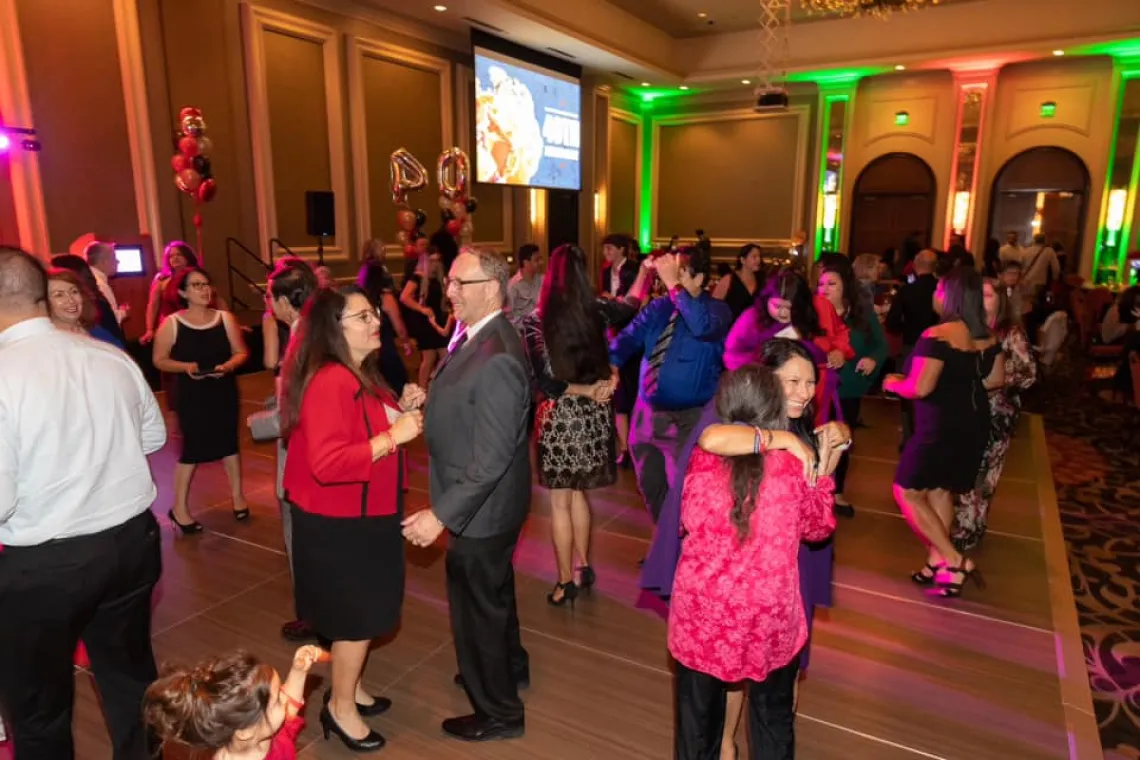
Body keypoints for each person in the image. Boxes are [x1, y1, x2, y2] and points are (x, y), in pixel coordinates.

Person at [0, 246, 167, 759]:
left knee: (39, 708)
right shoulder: (106, 354)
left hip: (47, 564)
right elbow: (154, 437)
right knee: (130, 678)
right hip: (132, 544)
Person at [280, 285, 425, 751]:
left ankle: (351, 688)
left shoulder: (359, 372)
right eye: (362, 317)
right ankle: (340, 709)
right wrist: (394, 437)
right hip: (341, 522)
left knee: (362, 614)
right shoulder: (331, 380)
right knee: (356, 619)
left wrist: (402, 411)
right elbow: (328, 463)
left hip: (364, 512)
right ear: (333, 329)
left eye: (373, 313)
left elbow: (364, 426)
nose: (375, 322)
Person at [670, 365, 837, 760]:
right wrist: (821, 471)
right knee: (772, 721)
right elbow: (818, 528)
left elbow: (687, 519)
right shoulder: (793, 466)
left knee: (697, 728)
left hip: (703, 616)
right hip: (769, 616)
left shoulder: (702, 458)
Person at [403, 247, 532, 742]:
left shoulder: (497, 354)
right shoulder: (480, 335)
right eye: (450, 281)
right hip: (488, 506)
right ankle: (509, 667)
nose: (449, 291)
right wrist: (429, 399)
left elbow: (493, 458)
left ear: (492, 290)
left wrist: (440, 515)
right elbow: (471, 402)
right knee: (494, 596)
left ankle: (499, 711)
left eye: (460, 283)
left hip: (480, 509)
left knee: (477, 608)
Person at [519, 244, 632, 606]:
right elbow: (631, 308)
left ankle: (565, 581)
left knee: (560, 503)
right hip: (594, 417)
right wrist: (608, 380)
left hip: (560, 418)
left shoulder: (535, 321)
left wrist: (588, 387)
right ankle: (583, 566)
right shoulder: (596, 311)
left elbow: (548, 383)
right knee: (581, 494)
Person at [883, 267, 1004, 598]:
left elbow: (919, 387)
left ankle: (954, 559)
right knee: (939, 490)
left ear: (949, 297)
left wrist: (894, 383)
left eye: (938, 290)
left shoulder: (936, 335)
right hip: (974, 422)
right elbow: (995, 381)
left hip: (940, 425)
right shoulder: (989, 336)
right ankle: (937, 559)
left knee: (905, 490)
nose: (934, 295)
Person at [609, 247, 733, 522]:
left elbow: (700, 326)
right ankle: (667, 547)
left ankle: (689, 551)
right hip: (646, 416)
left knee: (689, 491)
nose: (669, 280)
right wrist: (612, 362)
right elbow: (629, 337)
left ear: (700, 278)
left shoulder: (717, 311)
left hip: (688, 419)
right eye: (669, 275)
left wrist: (673, 285)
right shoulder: (659, 307)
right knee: (651, 487)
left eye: (680, 274)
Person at [152, 268, 249, 532]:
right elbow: (159, 360)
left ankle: (238, 497)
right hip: (192, 394)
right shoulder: (171, 323)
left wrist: (229, 366)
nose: (205, 290)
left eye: (206, 284)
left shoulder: (224, 318)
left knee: (229, 444)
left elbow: (241, 351)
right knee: (192, 450)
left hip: (223, 389)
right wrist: (186, 367)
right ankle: (180, 509)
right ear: (182, 292)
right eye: (196, 285)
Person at [261, 260, 320, 642]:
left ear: (285, 301)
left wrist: (268, 419)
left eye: (270, 297)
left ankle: (310, 615)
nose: (268, 305)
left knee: (298, 537)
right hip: (313, 456)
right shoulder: (316, 333)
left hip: (300, 455)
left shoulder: (301, 341)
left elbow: (299, 409)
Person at [953, 279, 1036, 551]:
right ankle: (966, 523)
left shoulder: (1010, 333)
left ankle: (972, 525)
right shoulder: (965, 328)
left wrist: (996, 379)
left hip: (998, 414)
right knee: (966, 468)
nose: (981, 300)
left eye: (987, 295)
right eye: (979, 294)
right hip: (967, 410)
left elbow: (1029, 374)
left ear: (1000, 299)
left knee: (986, 473)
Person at [144, 646, 328, 759]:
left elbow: (290, 711)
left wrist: (298, 672)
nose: (285, 698)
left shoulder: (264, 733)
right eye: (278, 700)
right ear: (247, 731)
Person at [818, 265, 888, 516]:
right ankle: (814, 491)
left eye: (831, 284)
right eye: (821, 284)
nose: (824, 289)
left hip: (849, 388)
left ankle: (836, 493)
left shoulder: (861, 315)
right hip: (816, 388)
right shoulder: (813, 314)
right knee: (814, 439)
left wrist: (872, 360)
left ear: (845, 286)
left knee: (841, 441)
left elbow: (881, 346)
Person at [885, 249, 939, 446]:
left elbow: (891, 322)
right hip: (939, 349)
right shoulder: (942, 290)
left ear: (916, 266)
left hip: (911, 348)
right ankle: (930, 437)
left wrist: (905, 328)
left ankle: (909, 438)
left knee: (908, 394)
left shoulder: (907, 291)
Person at [46, 266, 124, 347]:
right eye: (59, 295)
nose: (71, 300)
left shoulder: (97, 331)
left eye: (74, 291)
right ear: (45, 302)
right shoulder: (47, 341)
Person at [712, 243, 763, 322]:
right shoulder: (729, 279)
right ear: (743, 260)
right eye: (754, 256)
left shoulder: (761, 280)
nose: (758, 260)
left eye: (759, 256)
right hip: (731, 328)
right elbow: (714, 305)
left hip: (752, 328)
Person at [84, 240, 129, 325]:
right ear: (104, 261)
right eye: (114, 257)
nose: (118, 261)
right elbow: (111, 319)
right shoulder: (100, 285)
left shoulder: (89, 279)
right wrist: (124, 311)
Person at [507, 243, 544, 321]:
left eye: (540, 259)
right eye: (536, 260)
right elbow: (509, 315)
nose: (541, 263)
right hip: (521, 331)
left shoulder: (543, 280)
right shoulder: (513, 285)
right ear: (526, 263)